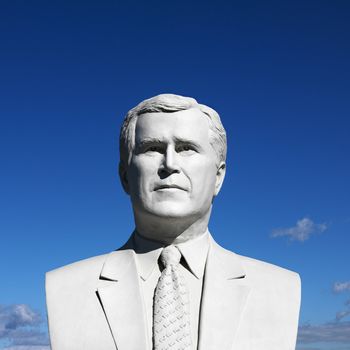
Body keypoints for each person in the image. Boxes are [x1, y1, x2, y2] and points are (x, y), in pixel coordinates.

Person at [46, 94, 301, 350]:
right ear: (125, 176)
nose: (169, 163)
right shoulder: (65, 287)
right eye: (152, 148)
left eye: (186, 148)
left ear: (218, 176)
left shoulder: (280, 287)